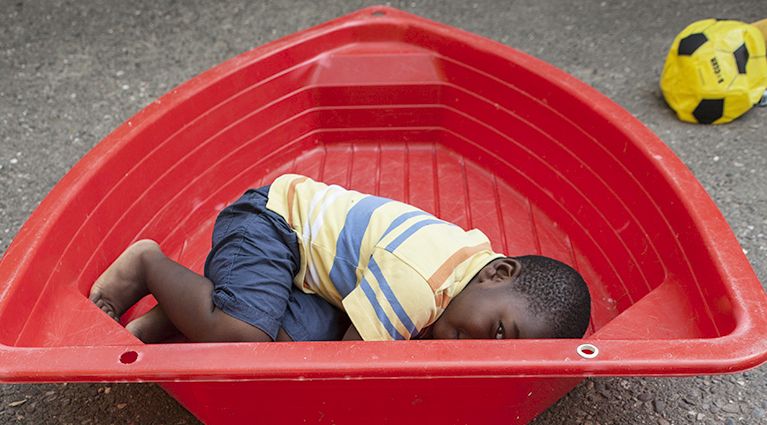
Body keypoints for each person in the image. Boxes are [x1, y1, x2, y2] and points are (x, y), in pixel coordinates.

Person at [90, 174, 591, 345]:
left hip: (318, 276)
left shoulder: (462, 271)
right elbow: (354, 364)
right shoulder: (420, 282)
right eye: (500, 331)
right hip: (273, 223)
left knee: (291, 341)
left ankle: (178, 317)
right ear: (498, 272)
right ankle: (147, 265)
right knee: (246, 338)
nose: (485, 349)